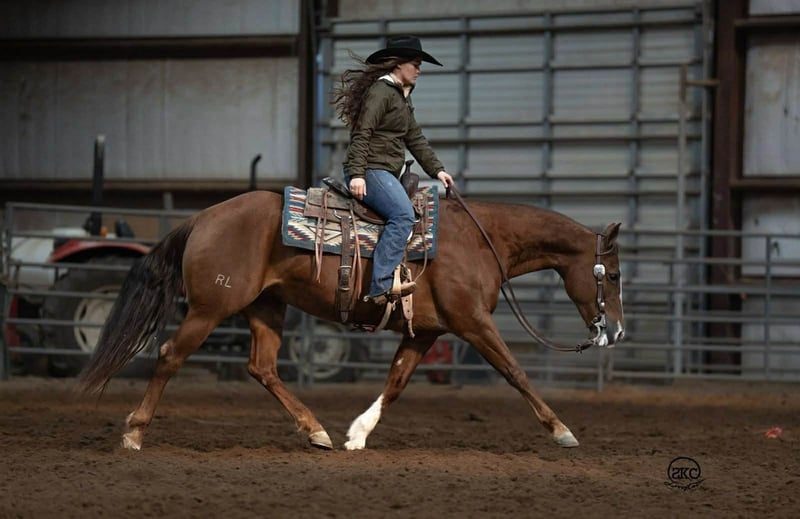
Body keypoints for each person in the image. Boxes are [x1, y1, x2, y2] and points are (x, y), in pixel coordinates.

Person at [333, 35, 455, 304]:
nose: (419, 70)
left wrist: (438, 171)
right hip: (371, 169)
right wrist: (357, 174)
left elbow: (415, 138)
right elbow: (362, 132)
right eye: (415, 64)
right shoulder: (381, 92)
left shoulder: (400, 98)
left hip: (384, 171)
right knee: (402, 216)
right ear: (399, 64)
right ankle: (381, 285)